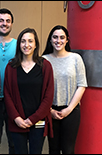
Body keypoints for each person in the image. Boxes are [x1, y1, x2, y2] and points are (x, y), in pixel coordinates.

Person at [4, 28, 54, 154]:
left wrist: (33, 119)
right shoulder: (11, 67)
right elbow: (7, 94)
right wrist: (16, 118)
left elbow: (48, 97)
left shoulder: (45, 66)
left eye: (30, 41)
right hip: (17, 121)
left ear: (36, 44)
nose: (26, 45)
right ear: (19, 44)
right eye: (23, 41)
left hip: (38, 121)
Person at [42, 25, 88, 154]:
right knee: (53, 149)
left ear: (67, 40)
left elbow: (82, 85)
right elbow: (41, 88)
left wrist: (68, 109)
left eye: (62, 37)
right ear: (50, 40)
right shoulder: (44, 60)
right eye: (55, 37)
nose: (58, 40)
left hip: (72, 110)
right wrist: (49, 110)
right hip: (50, 111)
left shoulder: (75, 58)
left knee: (68, 150)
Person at [0, 8, 16, 154]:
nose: (4, 24)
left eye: (8, 21)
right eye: (1, 20)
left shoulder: (20, 45)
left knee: (14, 141)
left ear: (11, 24)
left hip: (14, 100)